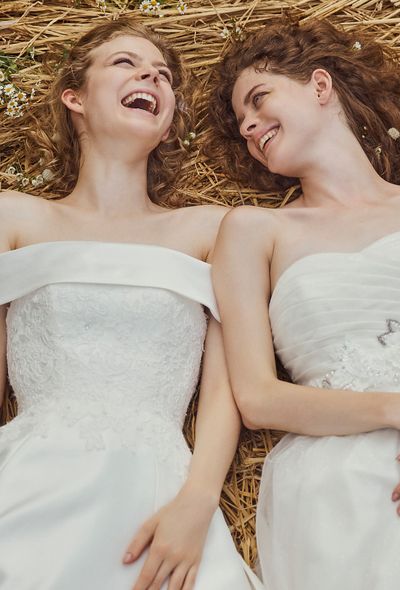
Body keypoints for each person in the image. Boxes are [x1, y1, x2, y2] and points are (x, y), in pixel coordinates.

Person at [208, 19, 400, 590]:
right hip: (347, 483)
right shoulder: (252, 232)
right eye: (241, 124)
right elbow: (258, 398)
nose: (249, 126)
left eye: (259, 99)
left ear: (320, 86)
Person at [0, 19, 261, 590]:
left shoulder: (213, 230)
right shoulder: (13, 218)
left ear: (167, 127)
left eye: (162, 75)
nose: (151, 77)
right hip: (28, 484)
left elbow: (226, 388)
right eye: (125, 63)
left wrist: (197, 502)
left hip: (162, 496)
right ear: (75, 98)